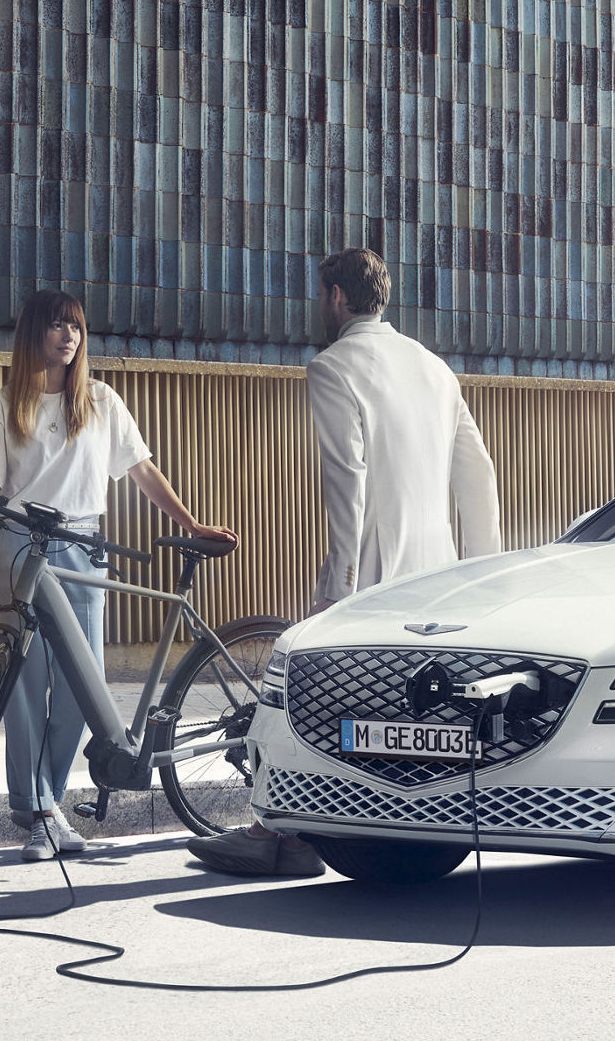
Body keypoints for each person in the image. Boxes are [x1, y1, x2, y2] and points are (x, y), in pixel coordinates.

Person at [186, 246, 502, 877]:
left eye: (319, 296)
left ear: (335, 297)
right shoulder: (435, 368)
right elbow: (478, 475)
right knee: (408, 710)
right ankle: (372, 829)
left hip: (374, 569)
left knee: (310, 696)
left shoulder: (334, 367)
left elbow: (347, 483)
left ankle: (286, 837)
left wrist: (338, 587)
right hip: (438, 573)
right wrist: (480, 573)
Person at [0, 288, 237, 862]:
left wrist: (192, 521)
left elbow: (141, 470)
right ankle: (39, 810)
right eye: (55, 326)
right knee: (23, 685)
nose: (68, 336)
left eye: (74, 327)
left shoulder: (100, 401)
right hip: (21, 546)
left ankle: (48, 799)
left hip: (83, 545)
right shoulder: (3, 406)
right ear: (33, 335)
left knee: (81, 686)